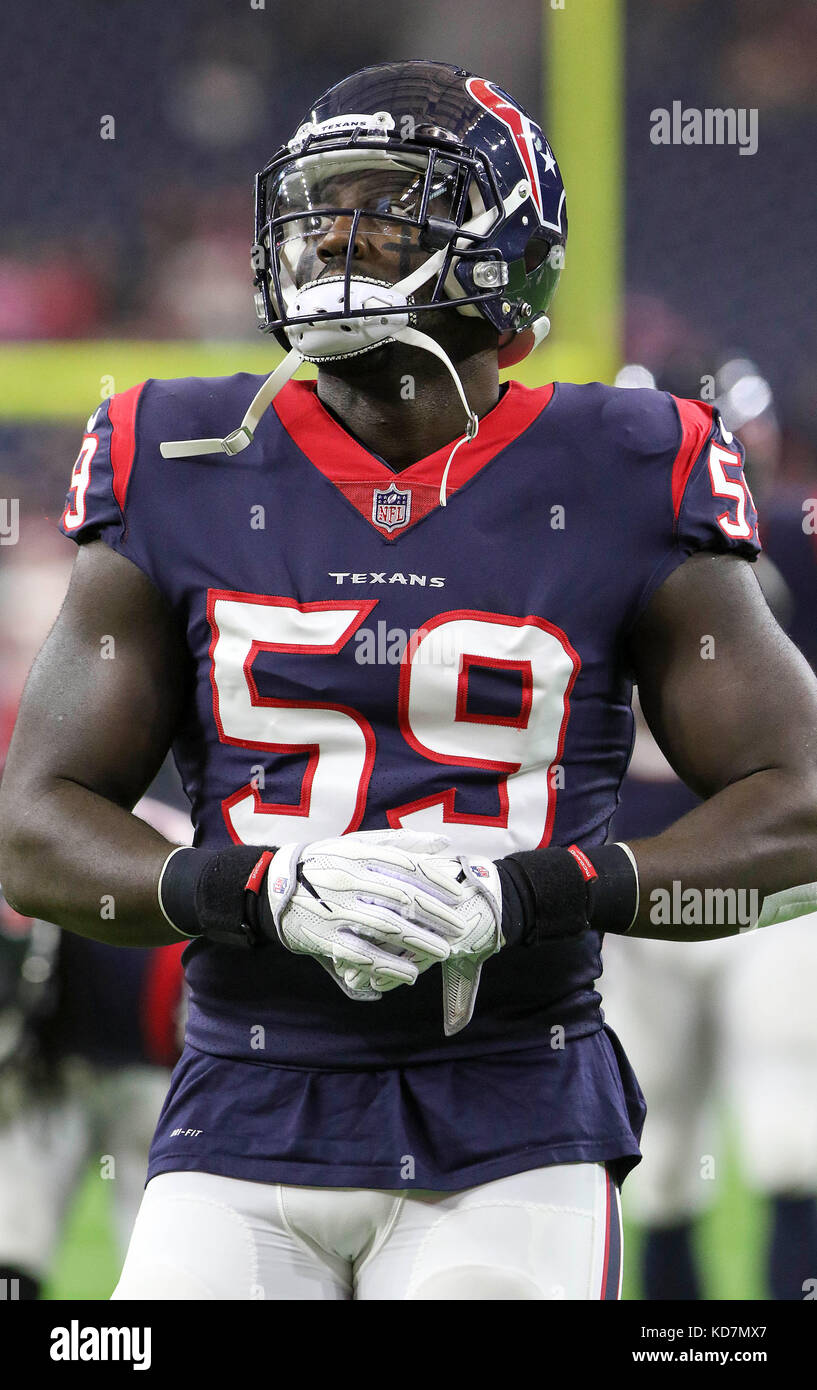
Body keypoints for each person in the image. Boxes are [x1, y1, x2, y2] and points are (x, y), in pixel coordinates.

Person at [1, 59, 816, 1302]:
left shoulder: (623, 467)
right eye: (318, 207)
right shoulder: (177, 454)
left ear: (505, 249)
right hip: (241, 1111)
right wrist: (257, 889)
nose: (334, 238)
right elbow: (33, 828)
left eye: (382, 205)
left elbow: (801, 799)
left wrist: (542, 891)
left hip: (513, 1114)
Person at [602, 358, 817, 1300]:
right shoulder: (591, 550)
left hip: (768, 869)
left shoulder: (797, 550)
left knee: (790, 1139)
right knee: (656, 1159)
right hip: (636, 869)